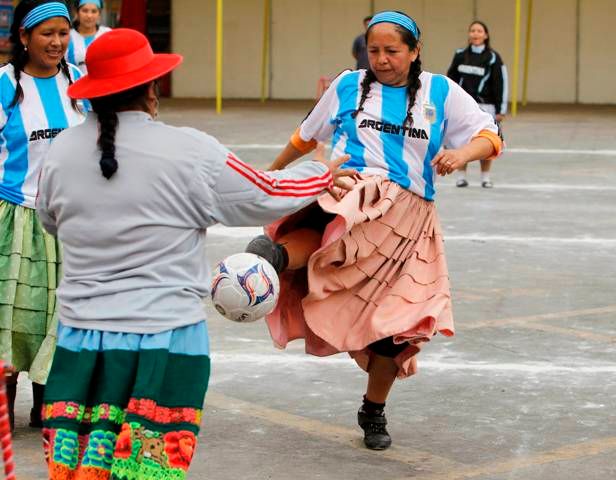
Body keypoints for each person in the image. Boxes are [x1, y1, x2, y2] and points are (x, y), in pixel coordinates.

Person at [36, 28, 353, 480]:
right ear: (151, 88)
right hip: (165, 338)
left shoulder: (60, 151)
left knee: (80, 468)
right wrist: (321, 172)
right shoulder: (189, 151)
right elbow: (265, 193)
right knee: (150, 469)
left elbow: (51, 221)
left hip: (80, 339)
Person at [245, 11, 503, 451]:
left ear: (415, 50)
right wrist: (269, 177)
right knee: (338, 222)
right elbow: (306, 136)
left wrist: (461, 155)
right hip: (353, 191)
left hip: (410, 220)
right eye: (374, 50)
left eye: (392, 51)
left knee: (398, 327)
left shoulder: (440, 92)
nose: (381, 59)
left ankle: (374, 408)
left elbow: (489, 134)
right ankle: (273, 256)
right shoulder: (348, 85)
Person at [0, 0, 85, 432]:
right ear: (24, 37)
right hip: (14, 219)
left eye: (63, 33)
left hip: (69, 222)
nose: (56, 42)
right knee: (14, 316)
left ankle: (48, 408)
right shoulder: (4, 85)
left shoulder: (80, 83)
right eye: (47, 33)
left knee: (60, 314)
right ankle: (5, 410)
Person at [446, 20, 507, 188]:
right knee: (461, 141)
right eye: (472, 30)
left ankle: (485, 177)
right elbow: (450, 80)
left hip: (486, 106)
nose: (475, 34)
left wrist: (501, 109)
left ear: (486, 35)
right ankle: (461, 176)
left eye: (479, 31)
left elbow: (500, 83)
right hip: (463, 107)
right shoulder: (460, 55)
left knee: (486, 141)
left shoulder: (493, 57)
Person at [66, 0, 111, 74]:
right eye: (85, 11)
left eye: (94, 11)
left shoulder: (107, 34)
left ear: (99, 14)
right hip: (76, 84)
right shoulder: (68, 36)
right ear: (76, 12)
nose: (89, 15)